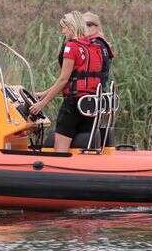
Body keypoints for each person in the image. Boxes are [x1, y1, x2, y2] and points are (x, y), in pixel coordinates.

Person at [30, 11, 105, 152]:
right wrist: (44, 93)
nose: (62, 31)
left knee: (60, 150)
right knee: (81, 151)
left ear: (71, 27)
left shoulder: (71, 47)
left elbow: (64, 79)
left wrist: (42, 103)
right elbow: (74, 79)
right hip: (90, 105)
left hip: (72, 106)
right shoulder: (93, 47)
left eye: (64, 28)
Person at [82, 11, 115, 86]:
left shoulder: (95, 44)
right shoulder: (101, 43)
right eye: (82, 25)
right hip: (100, 90)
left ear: (97, 27)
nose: (85, 28)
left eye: (89, 25)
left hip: (94, 92)